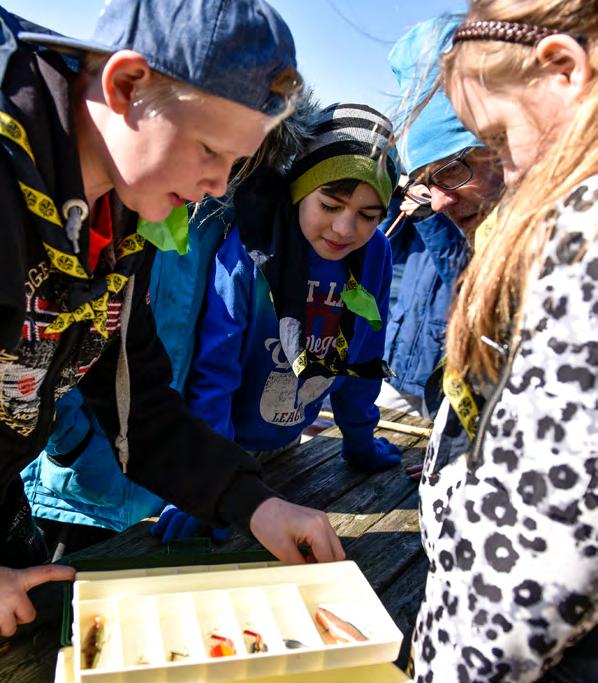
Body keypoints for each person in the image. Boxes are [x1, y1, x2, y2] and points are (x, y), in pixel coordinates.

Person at [0, 0, 345, 638]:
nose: (218, 186)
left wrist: (255, 504)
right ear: (127, 86)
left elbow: (138, 405)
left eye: (237, 164)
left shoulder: (118, 221)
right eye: (210, 150)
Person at [411, 4, 597, 681]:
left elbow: (553, 533)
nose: (507, 164)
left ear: (565, 70)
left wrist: (447, 666)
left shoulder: (581, 232)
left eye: (491, 139)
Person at [185, 103, 401, 477]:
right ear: (300, 189)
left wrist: (359, 440)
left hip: (289, 439)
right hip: (221, 441)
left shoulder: (375, 251)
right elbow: (214, 367)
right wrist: (208, 478)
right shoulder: (255, 244)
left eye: (369, 215)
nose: (344, 229)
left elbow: (364, 356)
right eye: (330, 205)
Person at [377, 15, 504, 418]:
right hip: (399, 364)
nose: (438, 201)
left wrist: (429, 220)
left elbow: (462, 276)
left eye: (450, 169)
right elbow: (380, 251)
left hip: (438, 371)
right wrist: (399, 201)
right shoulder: (435, 206)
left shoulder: (469, 223)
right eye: (426, 181)